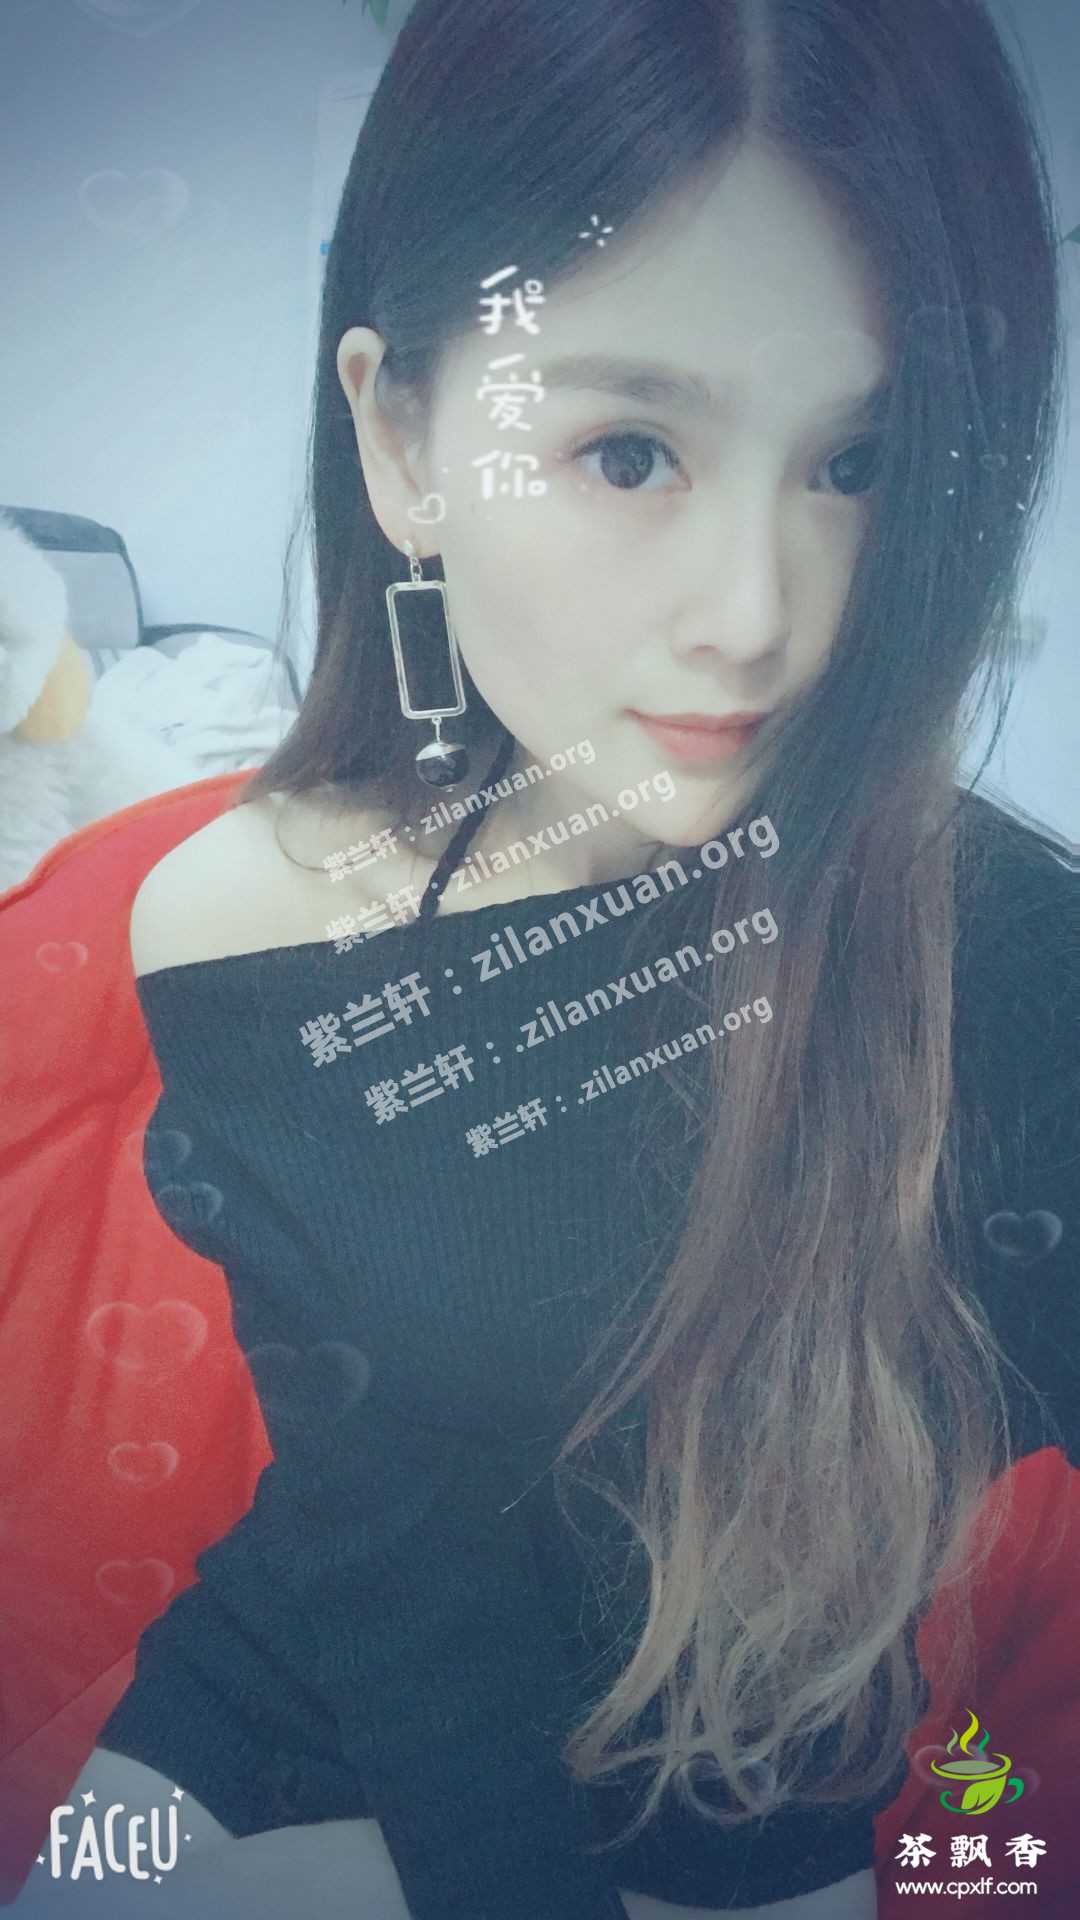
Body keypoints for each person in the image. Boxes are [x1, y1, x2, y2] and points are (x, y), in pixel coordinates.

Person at [34, 0, 1078, 1915]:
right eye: (627, 450)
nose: (758, 617)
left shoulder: (1006, 952)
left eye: (859, 461)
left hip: (741, 1819)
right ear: (401, 442)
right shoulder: (247, 917)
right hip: (303, 1709)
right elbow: (385, 1522)